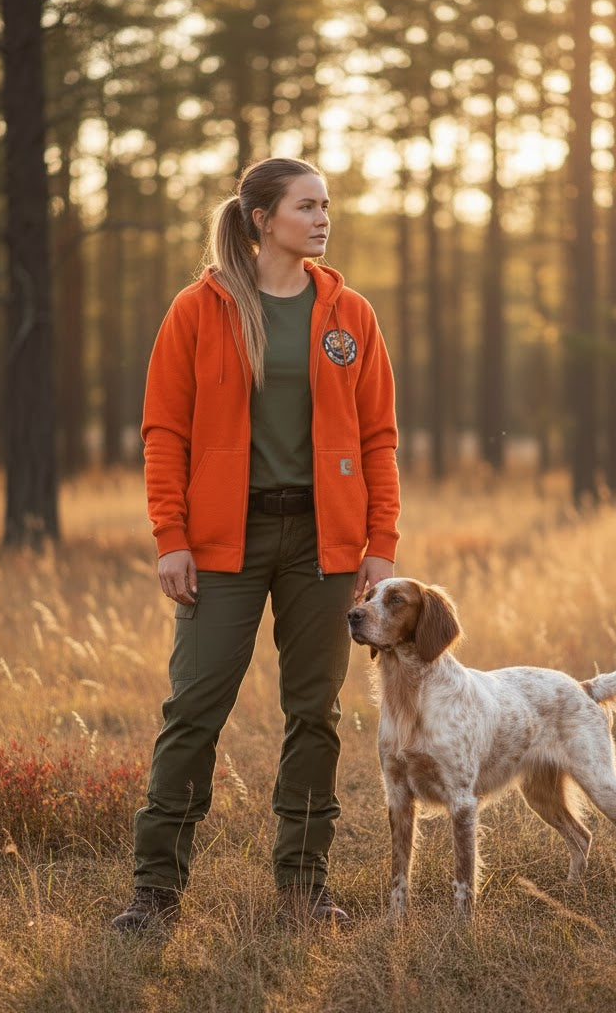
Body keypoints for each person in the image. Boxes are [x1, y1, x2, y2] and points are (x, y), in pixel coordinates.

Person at [113, 157, 401, 933]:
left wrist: (380, 544)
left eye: (326, 205)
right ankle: (155, 893)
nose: (321, 218)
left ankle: (304, 888)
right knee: (193, 710)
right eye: (306, 206)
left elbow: (379, 439)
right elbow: (164, 431)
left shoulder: (350, 314)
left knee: (315, 716)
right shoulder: (198, 309)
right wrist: (171, 538)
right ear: (261, 218)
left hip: (324, 542)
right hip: (220, 542)